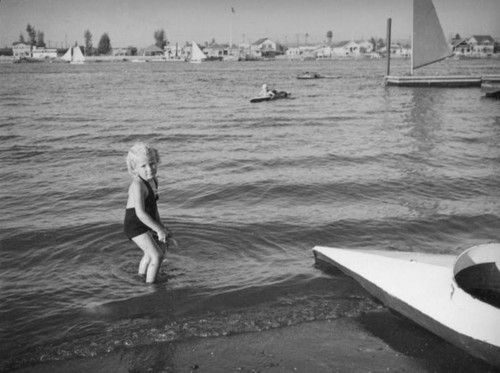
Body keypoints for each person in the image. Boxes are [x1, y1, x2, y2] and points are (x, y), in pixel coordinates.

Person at [124, 142, 174, 283]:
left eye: (152, 163)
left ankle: (141, 276)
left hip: (146, 221)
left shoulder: (153, 181)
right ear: (134, 168)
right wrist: (157, 229)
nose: (150, 169)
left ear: (157, 161)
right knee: (157, 255)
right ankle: (151, 286)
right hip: (135, 225)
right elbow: (140, 213)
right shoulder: (137, 185)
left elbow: (153, 207)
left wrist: (161, 227)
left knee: (150, 252)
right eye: (143, 166)